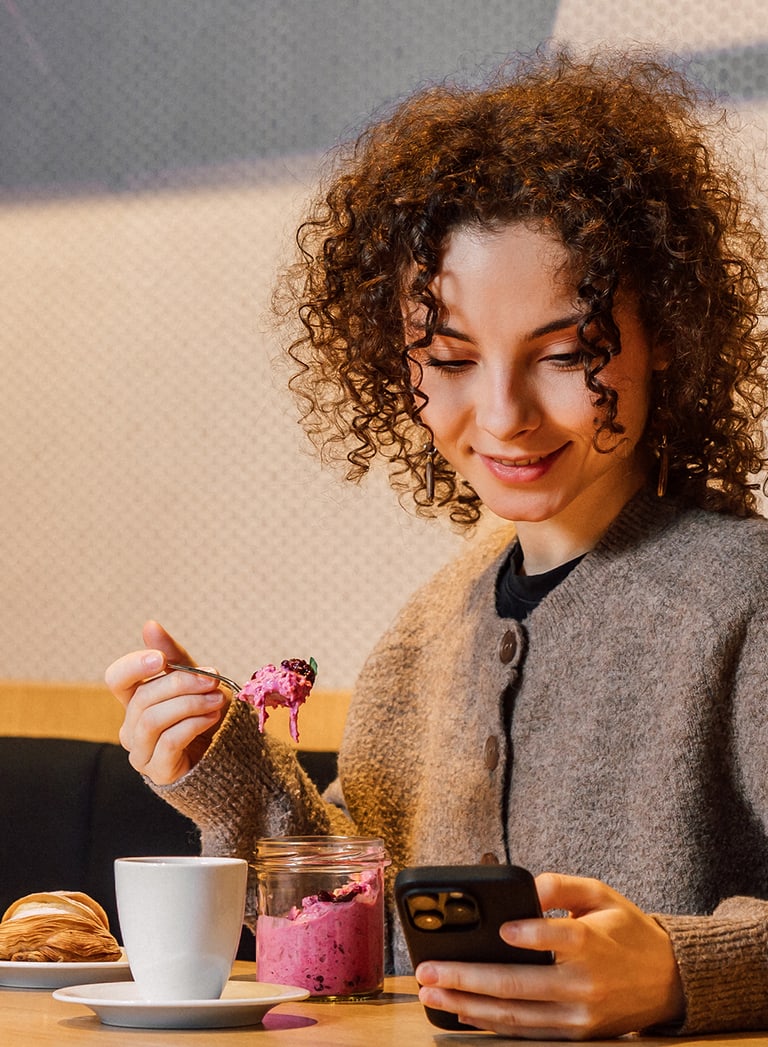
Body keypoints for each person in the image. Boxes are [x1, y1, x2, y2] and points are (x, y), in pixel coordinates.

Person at [106, 48, 768, 1039]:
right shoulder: (427, 632)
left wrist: (680, 973)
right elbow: (351, 914)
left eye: (564, 354)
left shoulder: (743, 595)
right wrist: (226, 766)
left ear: (663, 331)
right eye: (450, 360)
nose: (501, 416)